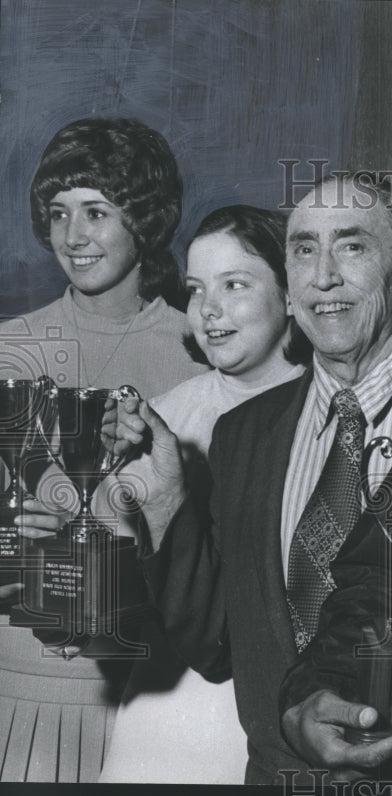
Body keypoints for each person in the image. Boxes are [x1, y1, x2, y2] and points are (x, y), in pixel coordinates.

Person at [111, 174, 392, 784]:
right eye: (304, 250)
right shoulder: (245, 435)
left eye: (352, 247)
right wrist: (166, 502)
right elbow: (219, 645)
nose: (323, 276)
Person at [0, 117, 206, 783]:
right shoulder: (9, 347)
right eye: (58, 213)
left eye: (96, 211)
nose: (72, 236)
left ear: (143, 219)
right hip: (16, 681)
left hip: (152, 689)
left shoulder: (202, 353)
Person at [97, 205, 309, 784]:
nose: (208, 309)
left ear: (291, 294)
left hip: (270, 716)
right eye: (195, 290)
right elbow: (114, 589)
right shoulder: (163, 416)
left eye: (235, 285)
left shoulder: (326, 418)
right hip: (163, 716)